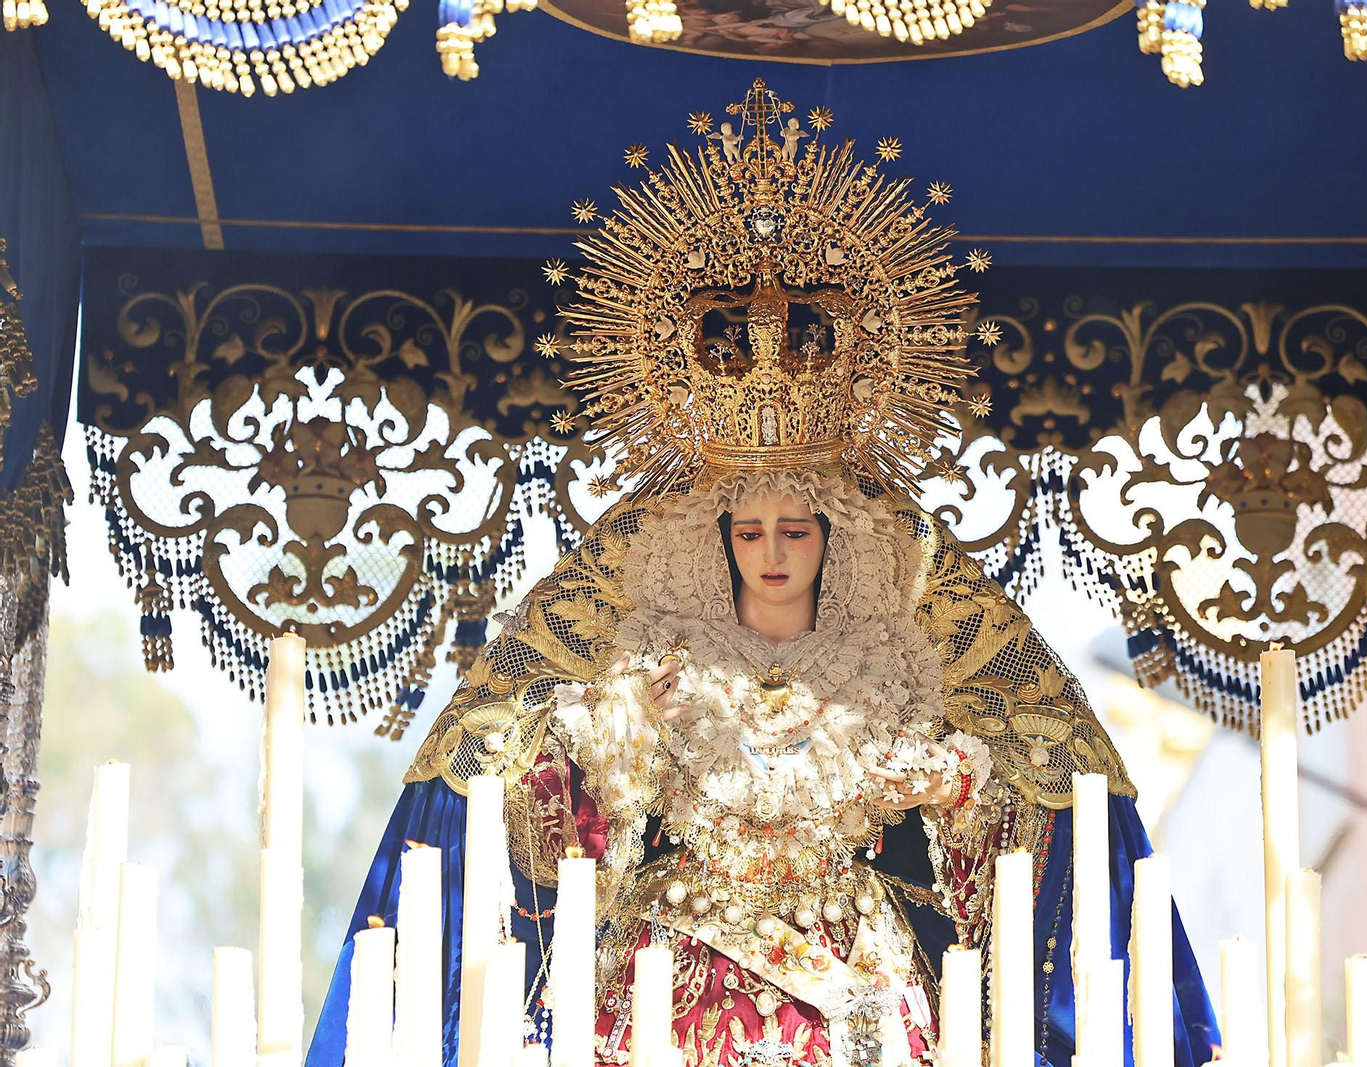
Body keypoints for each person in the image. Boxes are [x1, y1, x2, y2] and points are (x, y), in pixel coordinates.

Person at [307, 80, 1218, 1067]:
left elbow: (1019, 812)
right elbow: (542, 810)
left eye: (796, 530)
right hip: (673, 969)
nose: (773, 553)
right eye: (749, 532)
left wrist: (954, 783)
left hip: (853, 977)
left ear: (836, 538)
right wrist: (616, 732)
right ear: (718, 540)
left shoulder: (889, 665)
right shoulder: (659, 659)